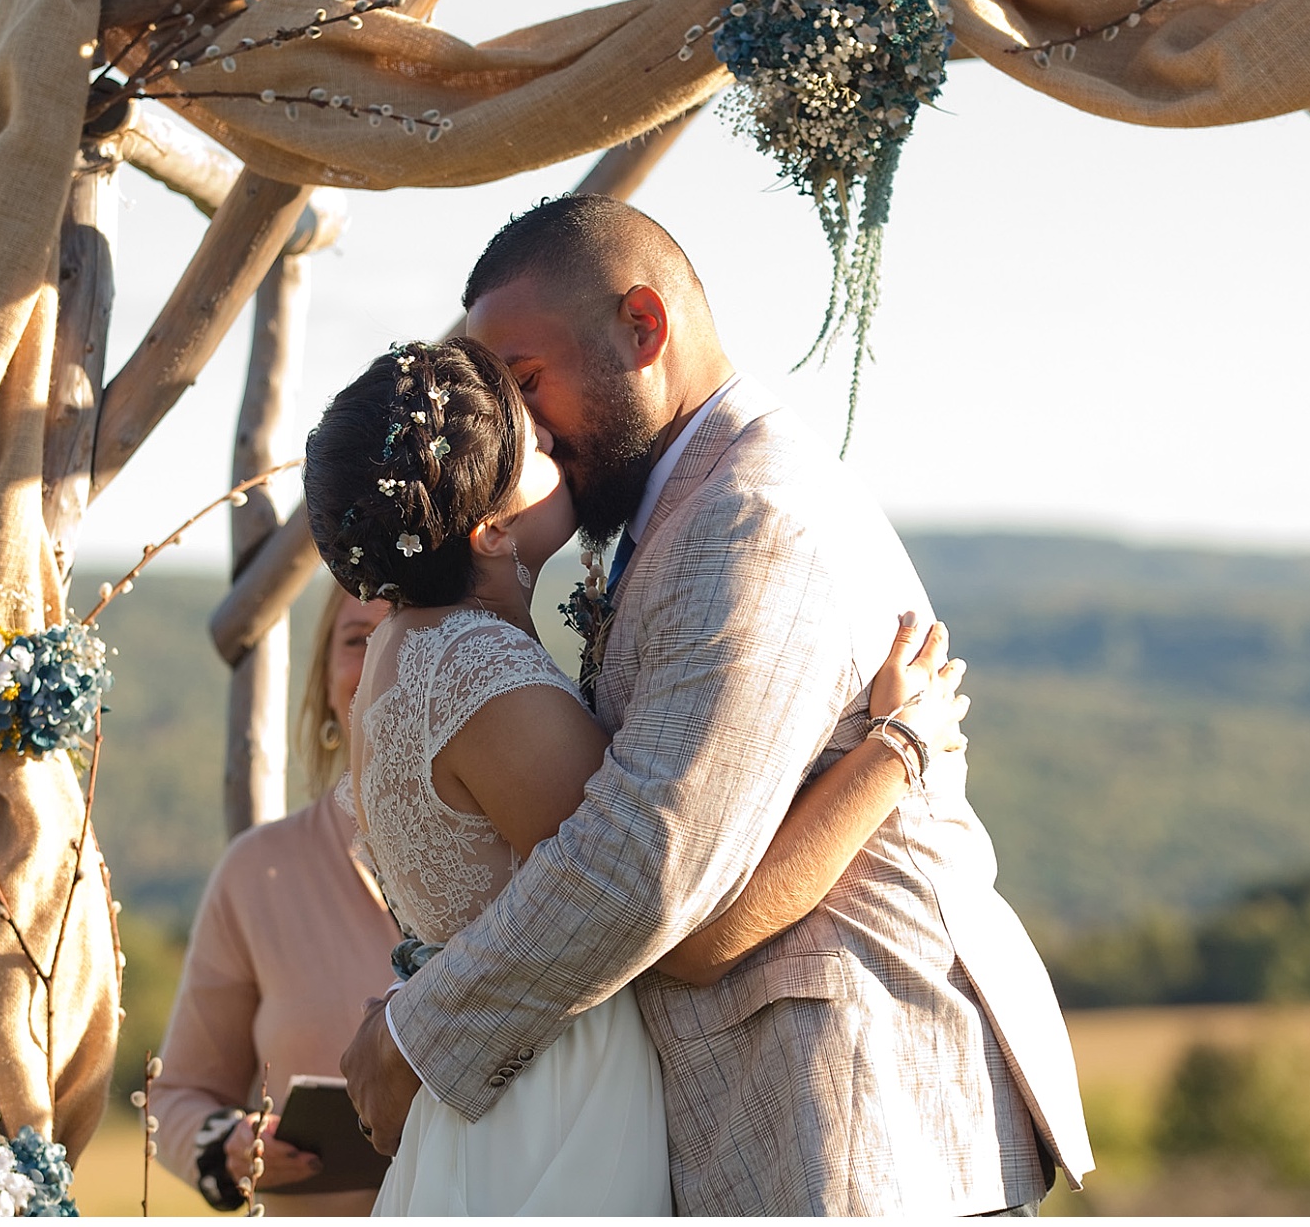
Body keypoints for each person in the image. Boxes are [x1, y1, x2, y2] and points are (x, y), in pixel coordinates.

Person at [341, 195, 1093, 1214]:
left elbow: (655, 876)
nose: (520, 429)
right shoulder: (668, 515)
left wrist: (417, 1033)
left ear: (641, 329)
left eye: (526, 383)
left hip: (847, 1111)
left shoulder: (751, 517)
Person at [303, 336, 969, 1214]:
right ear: (493, 527)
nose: (558, 452)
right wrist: (893, 751)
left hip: (500, 1088)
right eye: (536, 452)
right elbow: (674, 902)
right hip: (562, 1093)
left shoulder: (400, 648)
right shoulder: (479, 672)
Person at [149, 586, 399, 1215]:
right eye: (356, 639)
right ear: (320, 682)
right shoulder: (257, 874)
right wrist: (229, 1146)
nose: (384, 659)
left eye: (408, 632)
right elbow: (177, 1095)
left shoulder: (534, 849)